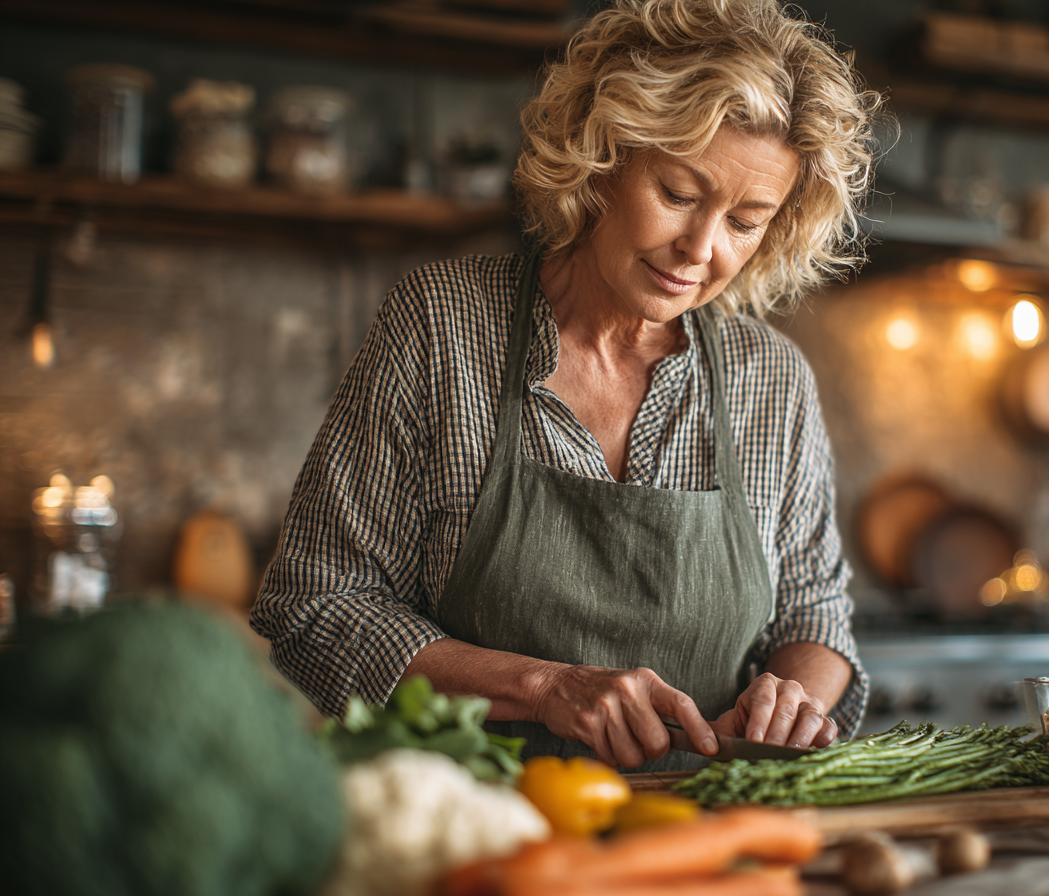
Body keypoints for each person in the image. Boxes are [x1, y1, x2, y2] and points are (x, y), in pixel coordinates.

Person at [251, 0, 882, 772]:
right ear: (605, 152)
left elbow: (816, 619)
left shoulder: (772, 380)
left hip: (705, 839)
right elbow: (316, 605)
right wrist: (544, 686)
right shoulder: (443, 324)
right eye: (680, 194)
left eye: (745, 221)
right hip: (475, 829)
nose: (701, 249)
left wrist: (795, 692)